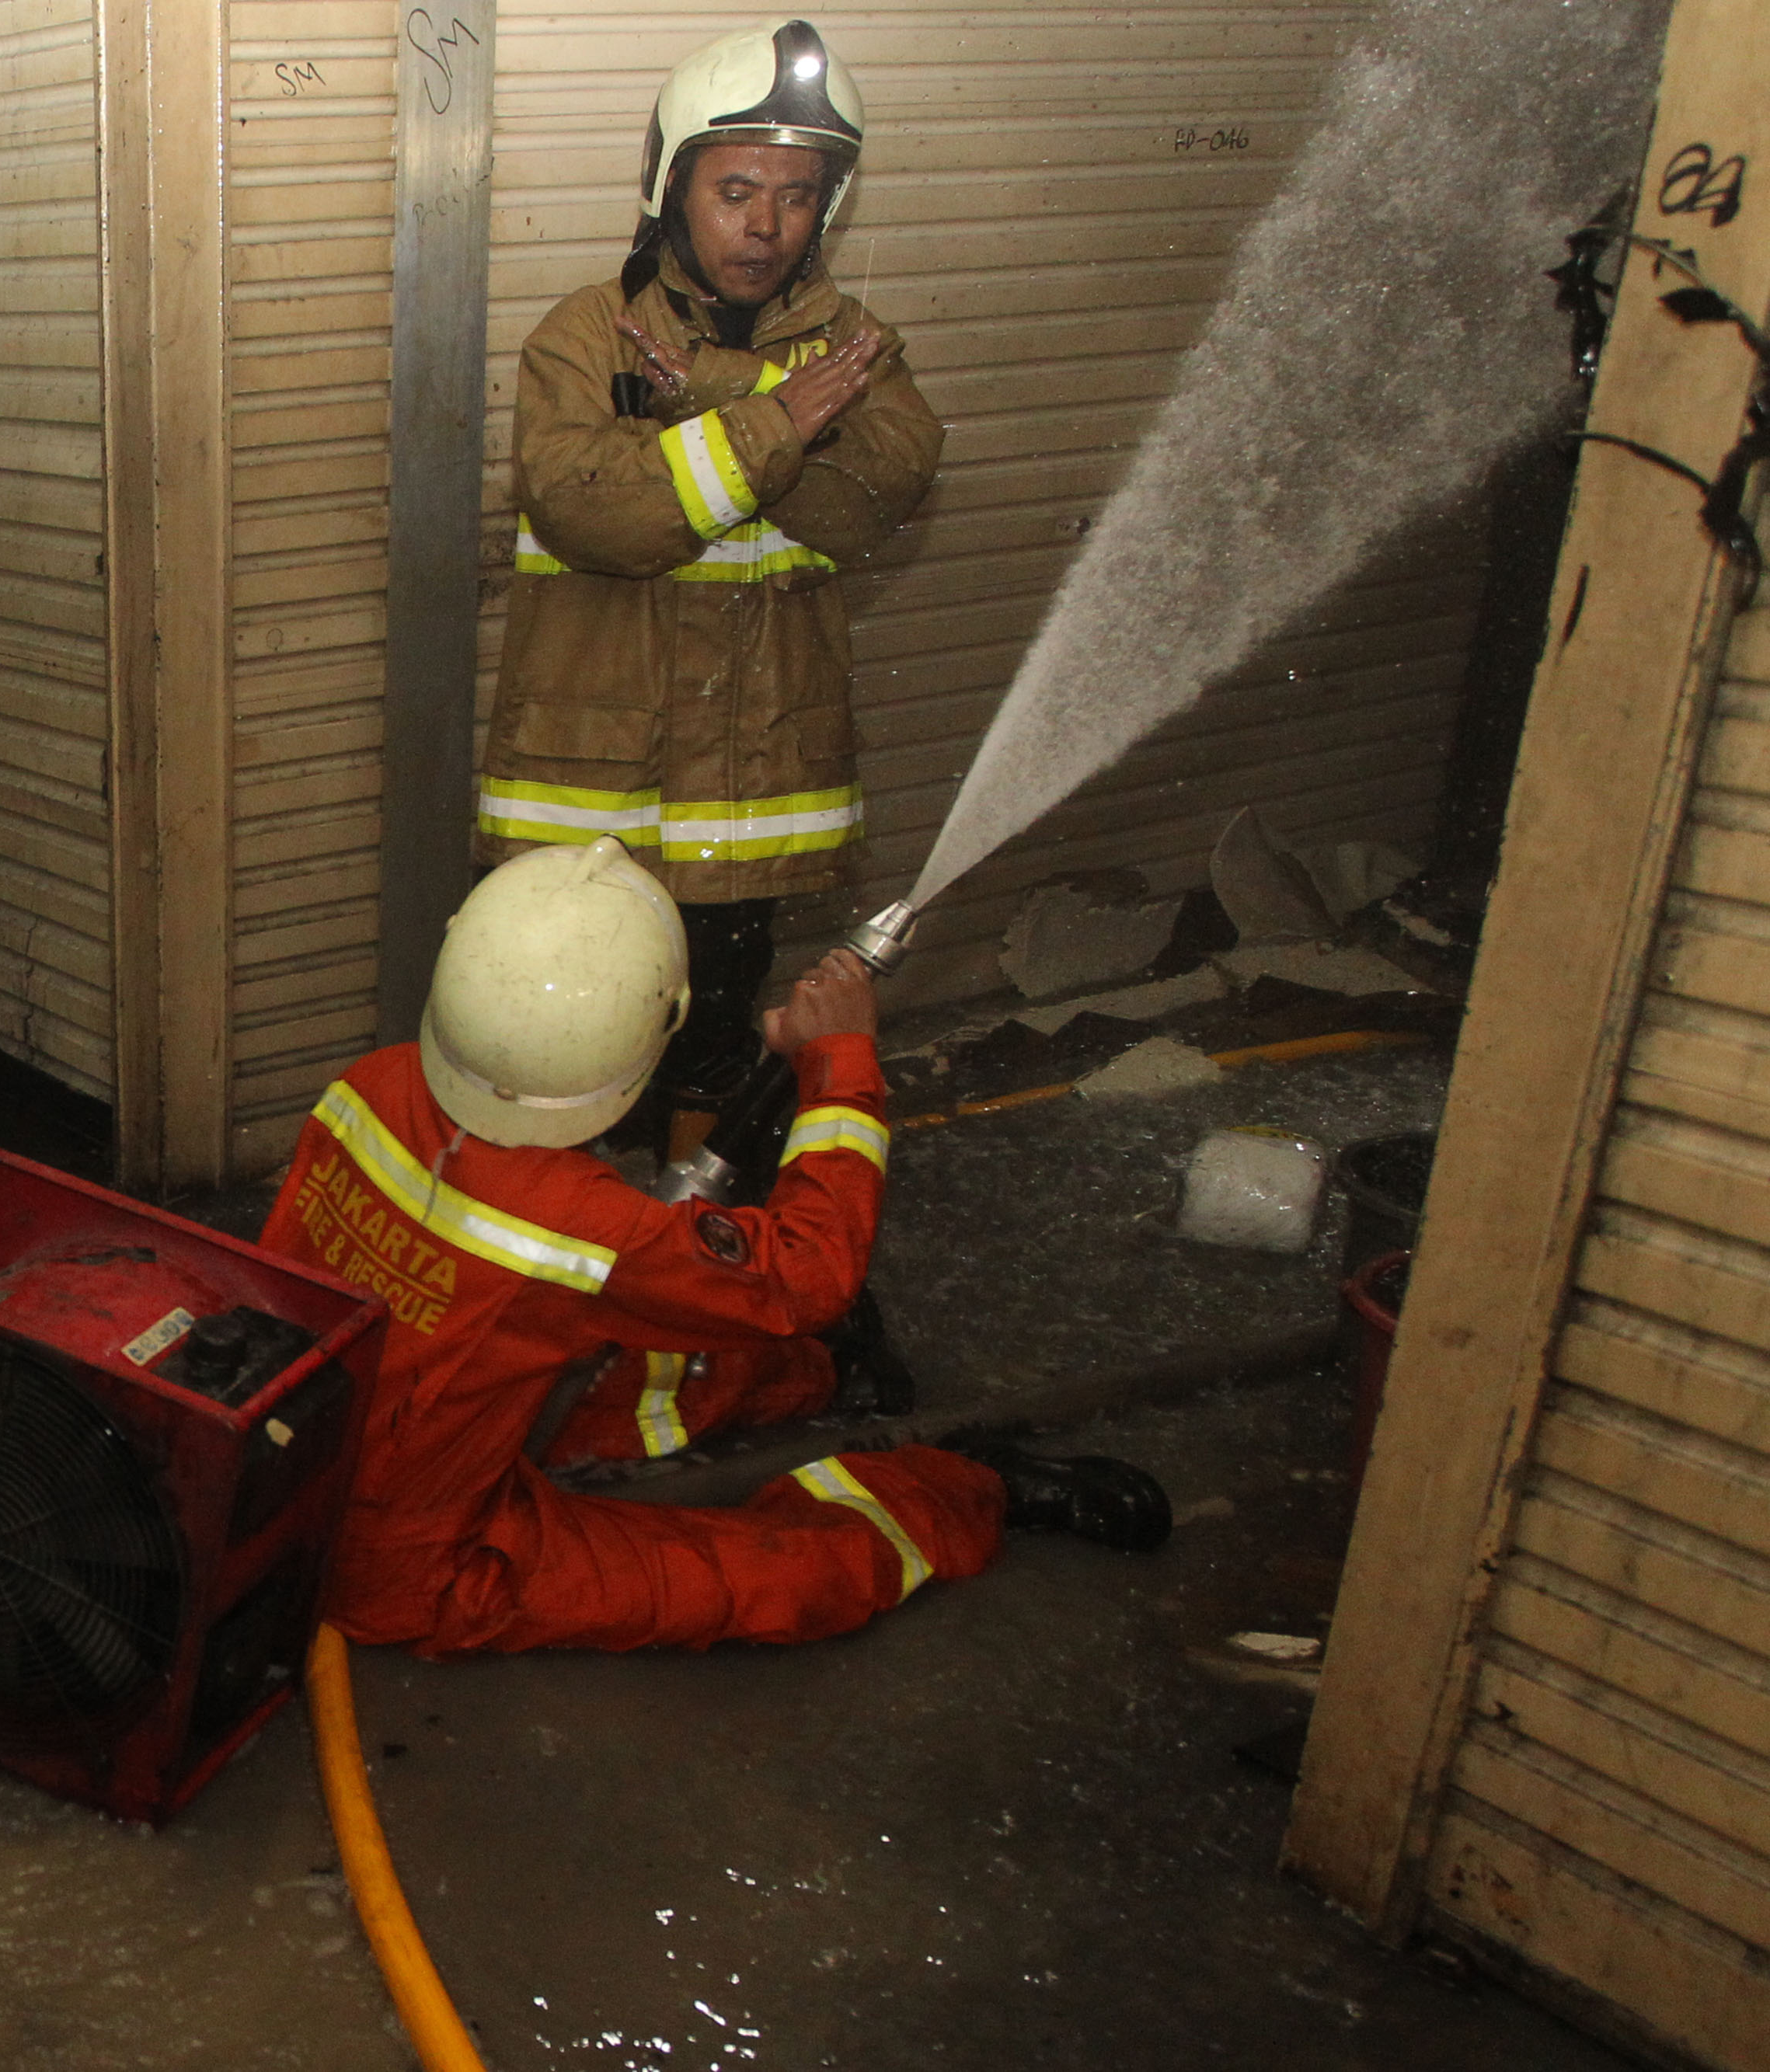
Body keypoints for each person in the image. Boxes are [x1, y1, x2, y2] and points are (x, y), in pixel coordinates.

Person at [260, 836, 1166, 1656]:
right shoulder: (582, 1232)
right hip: (402, 1563)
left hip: (306, 1459)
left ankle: (816, 1379)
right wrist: (837, 1062)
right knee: (776, 1578)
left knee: (632, 1360)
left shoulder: (369, 1085)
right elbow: (807, 1277)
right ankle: (966, 1487)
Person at [475, 17, 944, 1162]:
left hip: (746, 800)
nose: (765, 225)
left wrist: (721, 393)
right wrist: (782, 419)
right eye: (736, 189)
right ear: (673, 184)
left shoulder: (860, 348)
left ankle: (685, 1260)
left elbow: (871, 494)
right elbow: (597, 509)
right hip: (589, 804)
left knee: (716, 1047)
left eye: (796, 195)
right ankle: (554, 1273)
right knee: (559, 1049)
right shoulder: (588, 335)